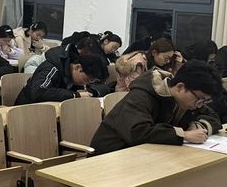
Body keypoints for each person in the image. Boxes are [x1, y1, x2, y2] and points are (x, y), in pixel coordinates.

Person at [90, 60, 221, 156]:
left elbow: (213, 117)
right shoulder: (141, 96)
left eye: (205, 101)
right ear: (180, 87)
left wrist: (197, 126)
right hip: (111, 157)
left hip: (144, 156)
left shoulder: (186, 101)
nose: (200, 104)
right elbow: (138, 132)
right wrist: (184, 135)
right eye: (199, 99)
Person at [14, 47, 108, 105]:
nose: (85, 84)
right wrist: (75, 95)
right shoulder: (52, 68)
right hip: (26, 111)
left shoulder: (73, 73)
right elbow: (38, 92)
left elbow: (103, 87)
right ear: (78, 67)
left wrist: (91, 92)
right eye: (86, 80)